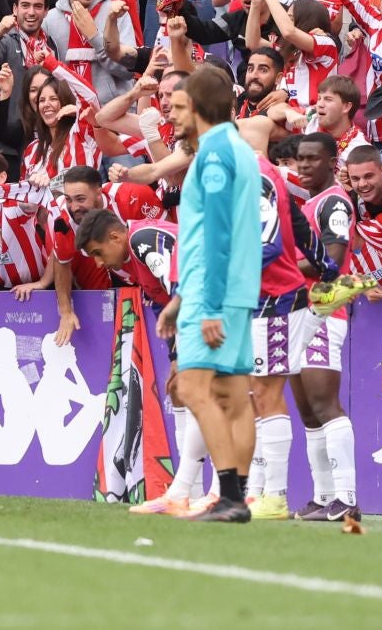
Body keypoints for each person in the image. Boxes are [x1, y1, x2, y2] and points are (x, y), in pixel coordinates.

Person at [160, 64, 265, 523]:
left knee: (193, 386)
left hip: (215, 290)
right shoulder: (239, 150)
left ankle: (227, 495)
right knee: (233, 395)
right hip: (236, 287)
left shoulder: (214, 156)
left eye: (181, 105)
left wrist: (206, 304)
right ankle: (236, 498)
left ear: (200, 106)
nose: (173, 113)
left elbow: (216, 233)